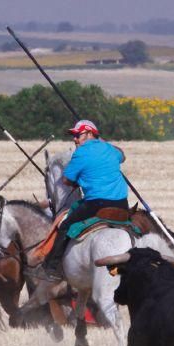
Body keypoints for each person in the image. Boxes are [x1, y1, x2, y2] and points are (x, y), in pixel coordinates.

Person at [34, 119, 128, 281]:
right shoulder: (110, 149)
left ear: (90, 133)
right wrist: (102, 141)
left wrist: (78, 180)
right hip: (122, 204)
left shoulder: (80, 153)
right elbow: (123, 156)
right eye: (74, 136)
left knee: (65, 226)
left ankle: (51, 268)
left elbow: (66, 181)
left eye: (78, 135)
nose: (75, 139)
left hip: (96, 204)